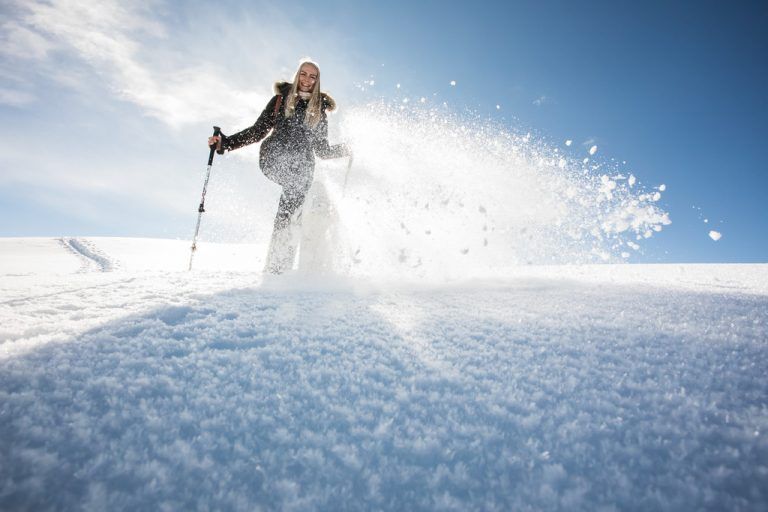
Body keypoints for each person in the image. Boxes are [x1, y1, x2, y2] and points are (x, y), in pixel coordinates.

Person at [208, 59, 350, 274]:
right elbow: (257, 131)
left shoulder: (319, 111)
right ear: (297, 75)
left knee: (299, 195)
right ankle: (280, 257)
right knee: (296, 188)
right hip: (274, 157)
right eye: (304, 74)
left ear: (317, 81)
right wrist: (225, 143)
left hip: (303, 167)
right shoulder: (280, 100)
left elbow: (322, 150)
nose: (307, 80)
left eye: (313, 77)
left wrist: (346, 149)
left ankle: (286, 252)